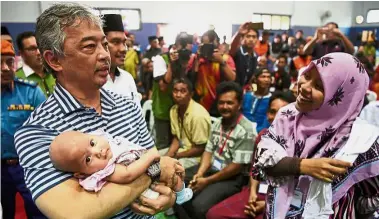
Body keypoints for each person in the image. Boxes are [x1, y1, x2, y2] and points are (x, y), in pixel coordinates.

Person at [14, 3, 179, 218]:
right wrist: (153, 172)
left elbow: (160, 167)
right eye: (89, 47)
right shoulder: (37, 132)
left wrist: (170, 194)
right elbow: (77, 212)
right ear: (54, 60)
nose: (104, 55)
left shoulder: (127, 106)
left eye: (104, 44)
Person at [252, 53, 379, 218]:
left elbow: (373, 196)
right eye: (307, 75)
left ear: (340, 97)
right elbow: (260, 165)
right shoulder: (288, 115)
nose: (304, 86)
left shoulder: (362, 141)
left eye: (319, 86)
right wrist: (303, 166)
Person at [206, 91, 296, 219]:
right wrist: (252, 193)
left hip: (283, 199)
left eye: (283, 112)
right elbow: (255, 169)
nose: (276, 117)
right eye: (272, 111)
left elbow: (298, 189)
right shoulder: (263, 136)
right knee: (213, 214)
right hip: (257, 191)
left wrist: (266, 204)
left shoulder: (299, 143)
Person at [49, 130, 192, 204]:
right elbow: (128, 174)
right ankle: (180, 195)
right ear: (81, 174)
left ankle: (179, 192)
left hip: (145, 167)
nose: (98, 152)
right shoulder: (107, 170)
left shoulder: (106, 142)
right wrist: (151, 157)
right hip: (146, 188)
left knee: (174, 171)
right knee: (172, 178)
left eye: (92, 143)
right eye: (88, 159)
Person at [182, 81, 256, 219]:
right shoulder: (217, 123)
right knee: (178, 183)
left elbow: (236, 167)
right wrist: (200, 174)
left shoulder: (247, 129)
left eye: (229, 103)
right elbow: (208, 151)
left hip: (233, 178)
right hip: (212, 169)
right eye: (221, 103)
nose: (224, 107)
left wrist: (207, 181)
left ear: (239, 104)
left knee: (199, 206)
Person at [1, 39, 46, 219]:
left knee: (38, 212)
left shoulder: (31, 92)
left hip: (28, 166)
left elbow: (47, 131)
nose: (5, 68)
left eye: (9, 62)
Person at [166, 78, 211, 171]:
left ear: (191, 94)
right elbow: (177, 138)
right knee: (154, 158)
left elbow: (200, 148)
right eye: (175, 91)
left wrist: (176, 156)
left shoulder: (198, 115)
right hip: (181, 151)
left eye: (183, 91)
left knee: (169, 169)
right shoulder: (173, 110)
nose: (178, 95)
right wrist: (168, 155)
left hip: (197, 157)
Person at [195, 29, 236, 117]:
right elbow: (191, 77)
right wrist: (197, 58)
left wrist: (221, 62)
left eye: (210, 45)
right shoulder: (198, 59)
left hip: (220, 105)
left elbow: (232, 78)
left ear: (217, 44)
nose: (207, 48)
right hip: (201, 106)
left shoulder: (225, 58)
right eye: (205, 45)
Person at [101, 14, 139, 104]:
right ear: (101, 44)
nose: (124, 49)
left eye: (124, 42)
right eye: (116, 42)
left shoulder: (127, 78)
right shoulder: (91, 83)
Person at [16, 31, 56, 97]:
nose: (38, 52)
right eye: (32, 49)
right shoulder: (16, 78)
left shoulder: (55, 72)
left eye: (40, 47)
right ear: (21, 54)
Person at [242, 68, 272, 133]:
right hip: (241, 131)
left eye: (268, 77)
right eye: (263, 77)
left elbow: (267, 123)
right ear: (255, 80)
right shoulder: (247, 96)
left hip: (260, 134)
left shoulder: (272, 100)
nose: (266, 80)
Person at [230, 22, 258, 87]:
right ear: (242, 38)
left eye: (254, 37)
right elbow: (231, 49)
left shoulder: (255, 56)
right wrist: (239, 33)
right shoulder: (238, 51)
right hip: (233, 89)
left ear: (257, 39)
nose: (251, 39)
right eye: (248, 36)